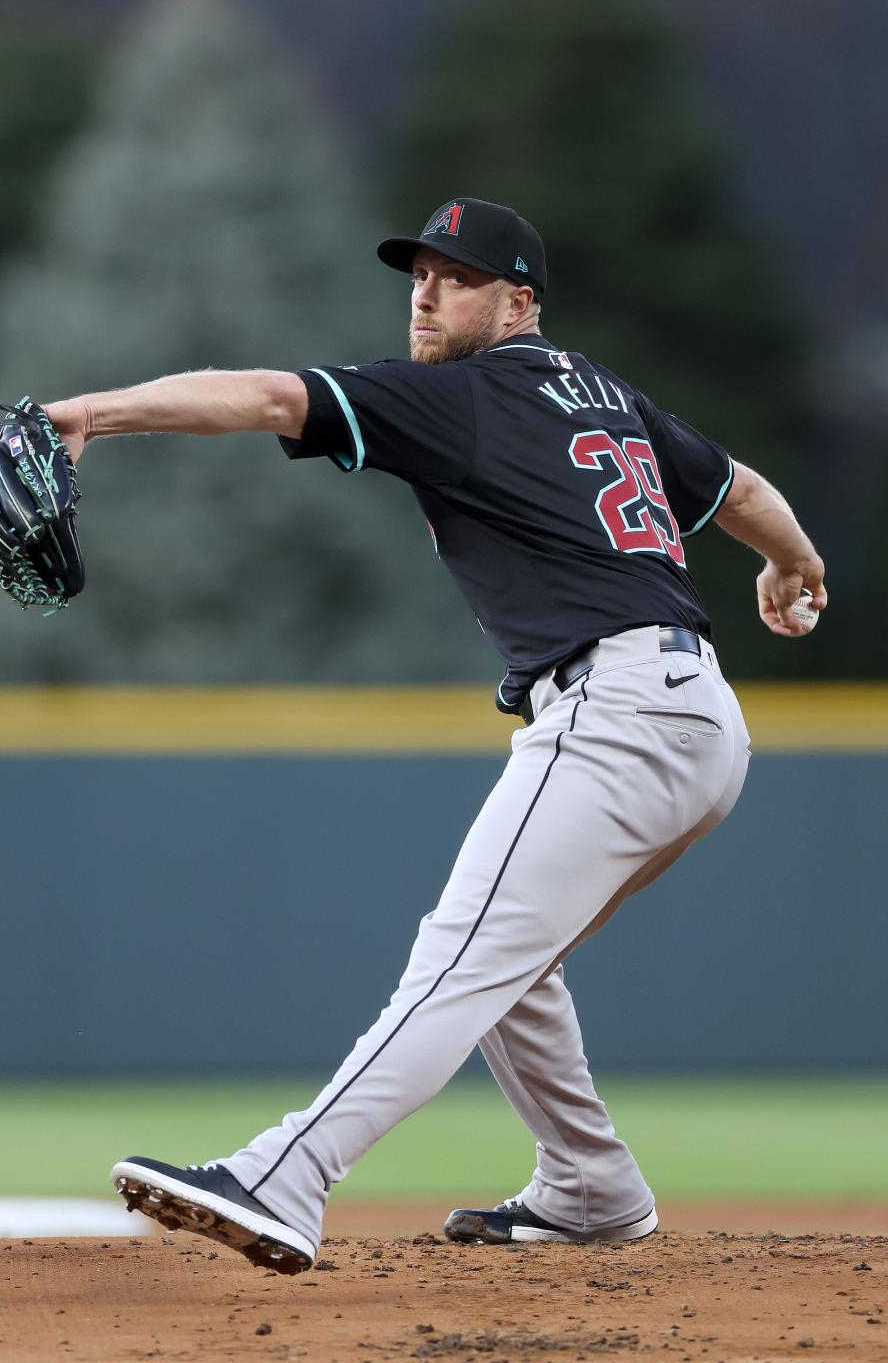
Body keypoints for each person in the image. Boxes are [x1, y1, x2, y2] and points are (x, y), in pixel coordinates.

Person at [45, 197, 826, 1276]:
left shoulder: (462, 397)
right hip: (696, 722)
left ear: (518, 301)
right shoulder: (601, 391)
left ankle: (284, 1176)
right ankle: (590, 1187)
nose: (425, 292)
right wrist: (794, 563)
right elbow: (737, 488)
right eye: (417, 272)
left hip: (621, 712)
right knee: (514, 960)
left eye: (455, 275)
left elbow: (273, 396)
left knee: (461, 954)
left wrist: (90, 410)